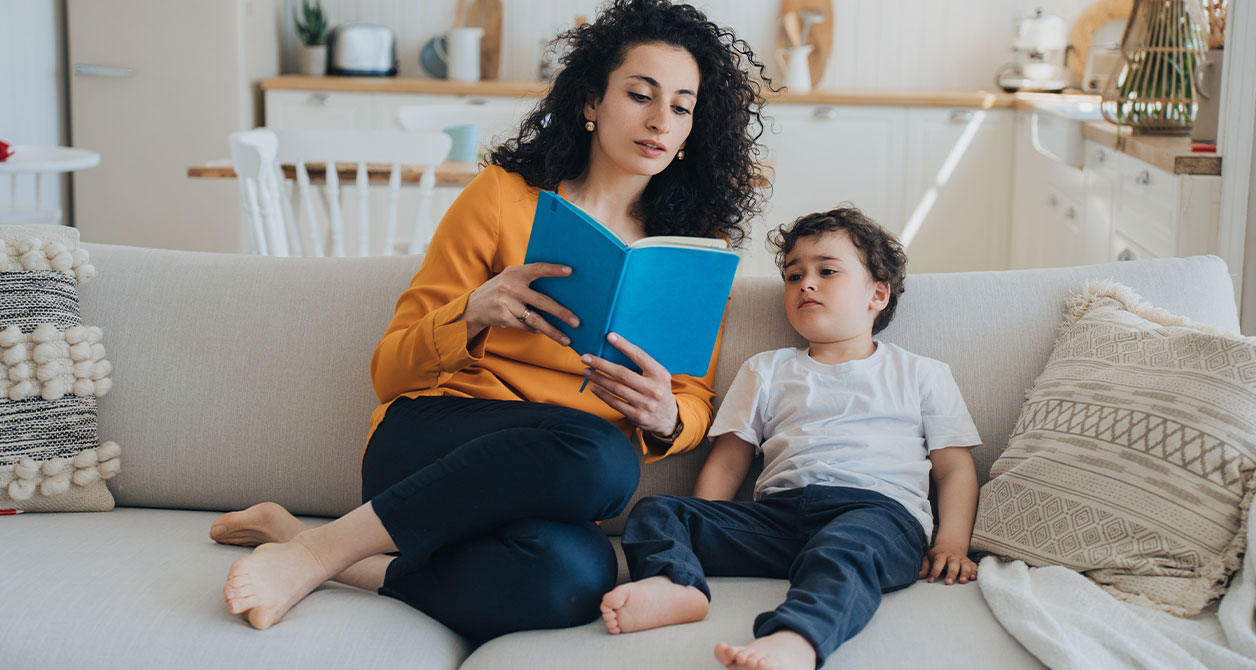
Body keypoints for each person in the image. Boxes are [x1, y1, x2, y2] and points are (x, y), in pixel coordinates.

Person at [209, 0, 771, 640]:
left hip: (552, 478)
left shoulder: (692, 248)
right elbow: (388, 372)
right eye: (640, 95)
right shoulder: (502, 196)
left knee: (575, 578)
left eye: (680, 106)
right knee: (606, 459)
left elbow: (694, 394)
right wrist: (471, 313)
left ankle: (308, 544)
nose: (659, 121)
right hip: (433, 440)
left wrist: (668, 419)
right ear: (591, 102)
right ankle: (318, 553)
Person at [599, 208, 984, 670]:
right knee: (659, 510)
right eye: (793, 274)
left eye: (827, 271)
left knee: (844, 550)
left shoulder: (921, 373)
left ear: (877, 293)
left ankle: (796, 639)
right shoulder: (767, 368)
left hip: (877, 516)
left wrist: (952, 543)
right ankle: (677, 585)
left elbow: (955, 467)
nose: (806, 283)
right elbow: (728, 461)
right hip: (780, 518)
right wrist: (710, 524)